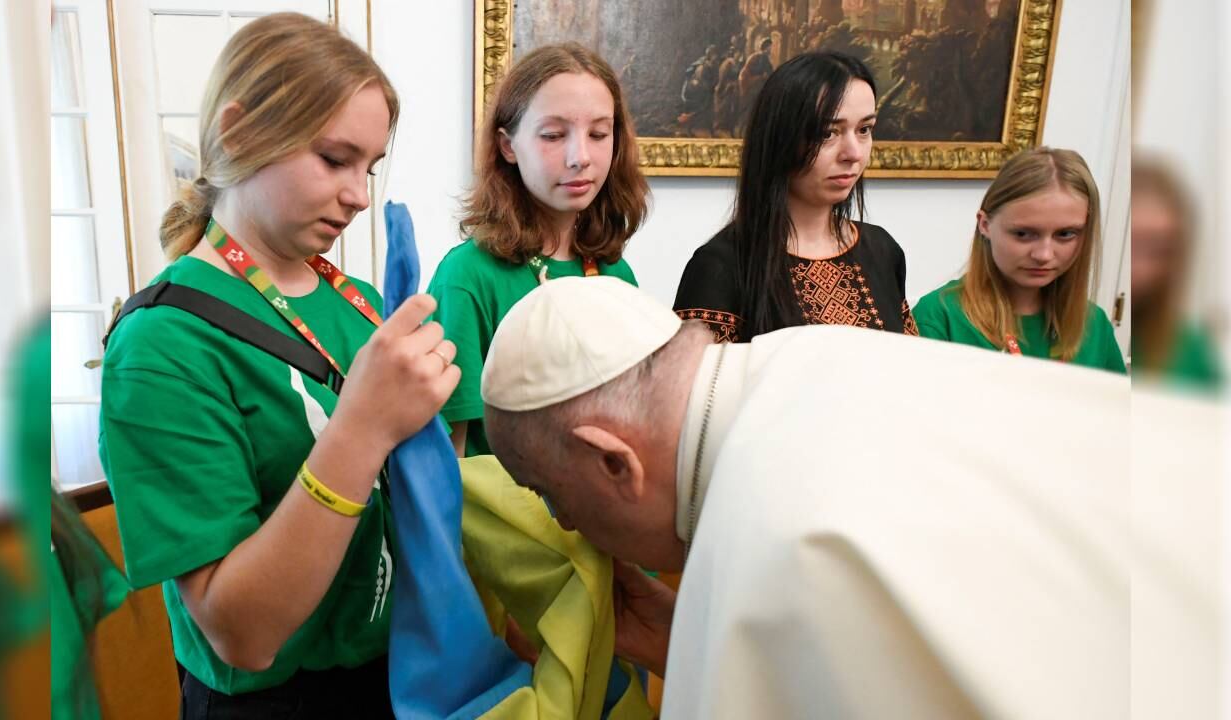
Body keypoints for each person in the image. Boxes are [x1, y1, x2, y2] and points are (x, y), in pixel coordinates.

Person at [480, 276, 1128, 719]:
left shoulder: (783, 537)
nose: (563, 520)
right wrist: (683, 636)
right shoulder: (811, 353)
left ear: (613, 461)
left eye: (549, 492)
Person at [99, 14, 459, 717]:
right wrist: (361, 428)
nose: (359, 194)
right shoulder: (162, 344)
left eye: (370, 167)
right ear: (238, 133)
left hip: (401, 670)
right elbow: (244, 634)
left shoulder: (353, 301)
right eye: (334, 158)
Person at [428, 42, 649, 458]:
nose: (580, 156)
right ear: (508, 146)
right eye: (553, 135)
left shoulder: (617, 274)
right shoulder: (469, 276)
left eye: (599, 134)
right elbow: (448, 460)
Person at [675, 51, 918, 342]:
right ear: (780, 138)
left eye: (864, 129)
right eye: (828, 133)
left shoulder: (882, 250)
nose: (853, 153)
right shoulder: (721, 266)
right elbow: (700, 385)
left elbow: (907, 374)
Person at [913, 147, 1126, 373]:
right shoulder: (938, 317)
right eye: (1023, 234)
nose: (1044, 255)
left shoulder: (1094, 323)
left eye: (1065, 234)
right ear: (985, 225)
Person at [1130, 158, 1223, 389]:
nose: (1141, 268)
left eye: (1160, 251)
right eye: (1134, 245)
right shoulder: (1093, 330)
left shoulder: (1191, 350)